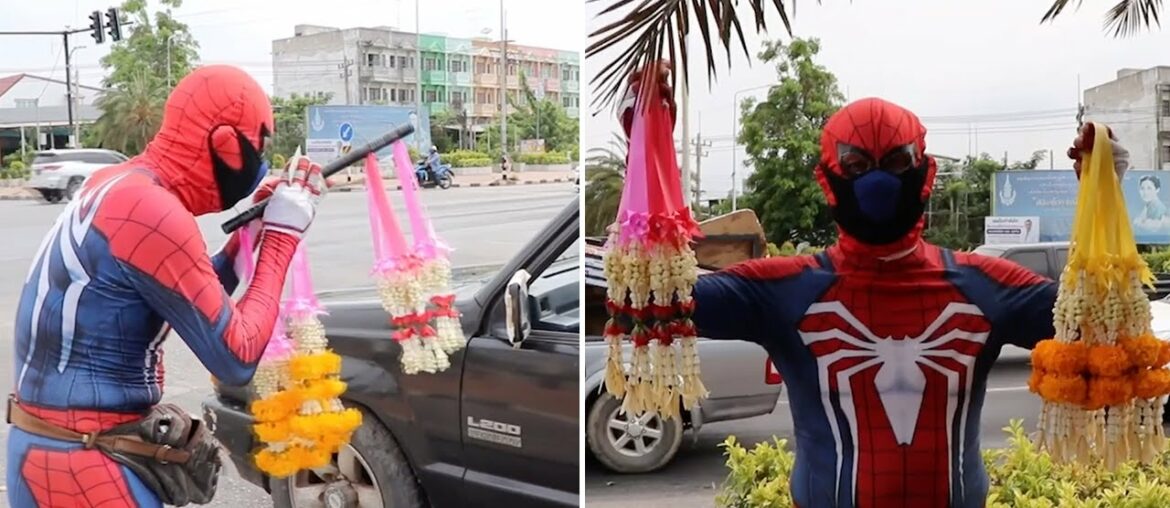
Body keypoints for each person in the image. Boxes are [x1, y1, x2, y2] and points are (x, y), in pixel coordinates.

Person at [619, 62, 1130, 508]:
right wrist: (647, 148)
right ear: (829, 179)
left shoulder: (984, 286)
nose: (878, 183)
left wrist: (1106, 193)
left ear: (924, 174)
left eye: (895, 164)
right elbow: (656, 301)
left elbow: (1104, 327)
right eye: (858, 166)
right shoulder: (784, 290)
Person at [6, 65, 327, 507]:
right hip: (85, 458)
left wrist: (246, 237)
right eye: (259, 149)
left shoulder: (118, 185)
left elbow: (187, 299)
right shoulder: (150, 209)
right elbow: (236, 356)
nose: (259, 164)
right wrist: (281, 239)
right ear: (226, 147)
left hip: (48, 443)